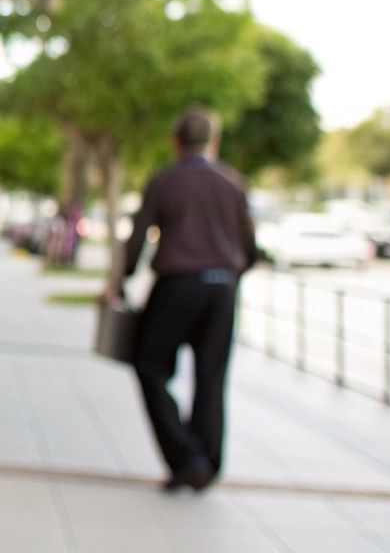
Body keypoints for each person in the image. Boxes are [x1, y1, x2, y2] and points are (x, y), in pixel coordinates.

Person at [104, 107, 258, 493]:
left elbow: (136, 238)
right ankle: (205, 463)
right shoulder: (233, 183)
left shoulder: (164, 181)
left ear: (175, 142)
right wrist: (229, 276)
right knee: (211, 377)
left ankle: (187, 458)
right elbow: (250, 247)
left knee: (150, 366)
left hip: (177, 286)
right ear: (213, 142)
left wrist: (118, 283)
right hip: (222, 289)